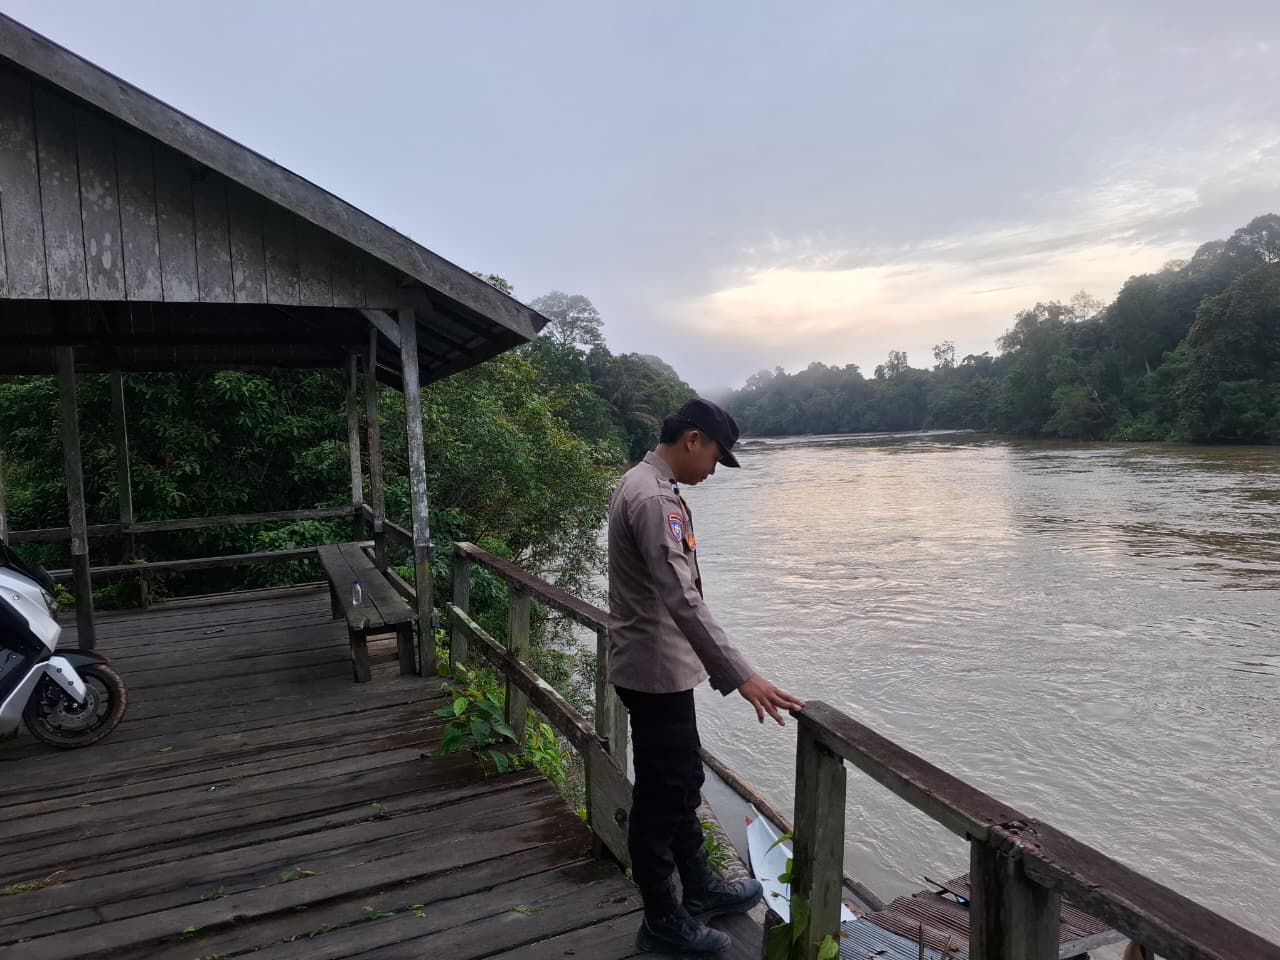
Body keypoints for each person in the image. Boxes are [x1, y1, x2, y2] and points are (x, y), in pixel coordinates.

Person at [607, 397, 805, 955]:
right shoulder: (653, 498)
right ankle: (663, 921)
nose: (714, 470)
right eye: (716, 457)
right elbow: (682, 598)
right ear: (693, 439)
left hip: (657, 669)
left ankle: (701, 889)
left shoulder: (645, 484)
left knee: (682, 781)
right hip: (654, 673)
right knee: (660, 799)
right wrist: (742, 675)